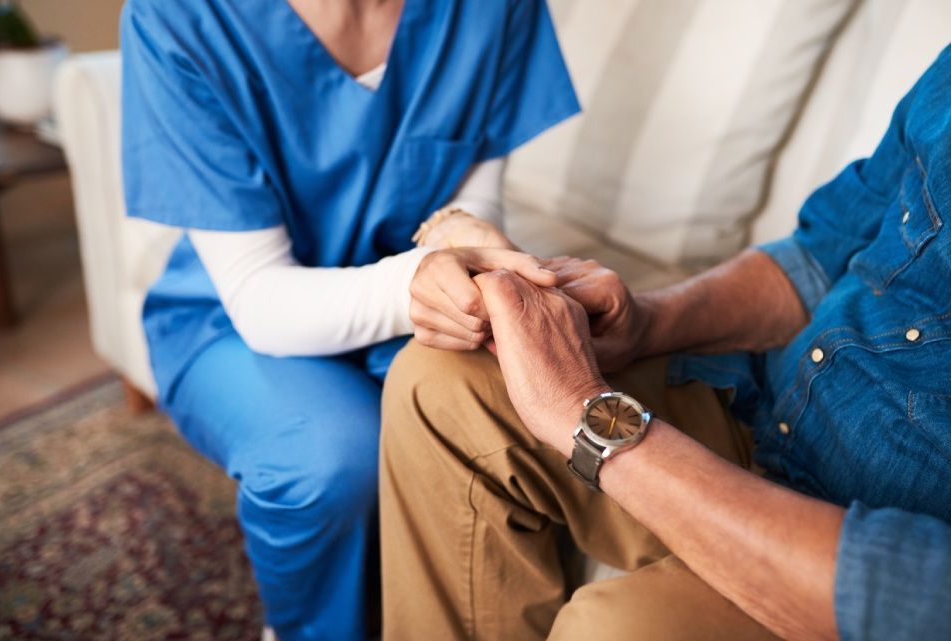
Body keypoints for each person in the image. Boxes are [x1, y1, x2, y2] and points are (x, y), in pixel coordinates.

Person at [379, 45, 951, 641]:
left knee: (610, 632)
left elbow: (916, 599)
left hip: (859, 557)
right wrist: (647, 322)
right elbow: (817, 255)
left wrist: (583, 413)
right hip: (767, 403)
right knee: (439, 383)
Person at [119, 1, 579, 639]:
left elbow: (469, 187)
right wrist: (416, 280)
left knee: (492, 415)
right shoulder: (182, 18)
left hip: (416, 295)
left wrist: (458, 231)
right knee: (331, 460)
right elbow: (258, 297)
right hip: (235, 318)